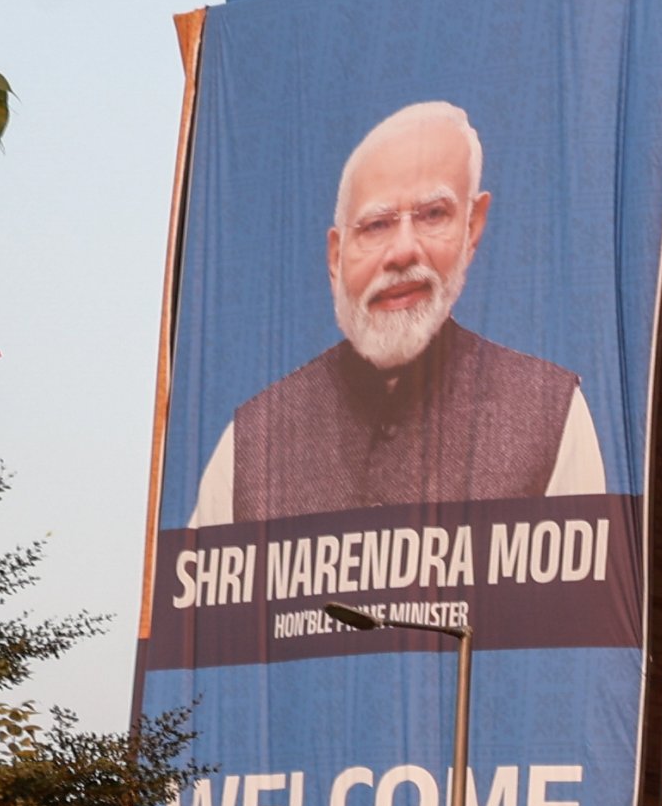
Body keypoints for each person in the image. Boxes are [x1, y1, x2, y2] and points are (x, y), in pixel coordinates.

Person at [187, 100, 603, 525]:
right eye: (376, 225)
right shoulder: (250, 444)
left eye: (433, 215)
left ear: (472, 226)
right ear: (336, 257)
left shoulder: (552, 415)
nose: (403, 252)